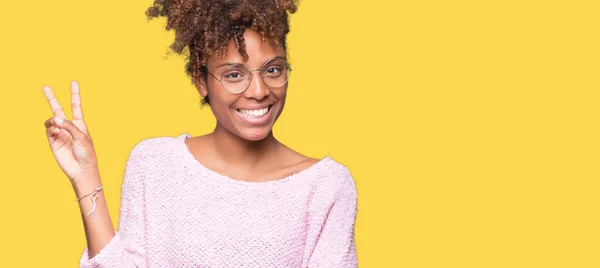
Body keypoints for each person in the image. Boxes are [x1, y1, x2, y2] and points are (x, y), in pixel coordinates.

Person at [42, 0, 358, 267]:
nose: (259, 91)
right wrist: (86, 177)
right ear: (200, 80)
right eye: (234, 74)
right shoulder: (155, 164)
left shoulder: (326, 187)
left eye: (273, 69)